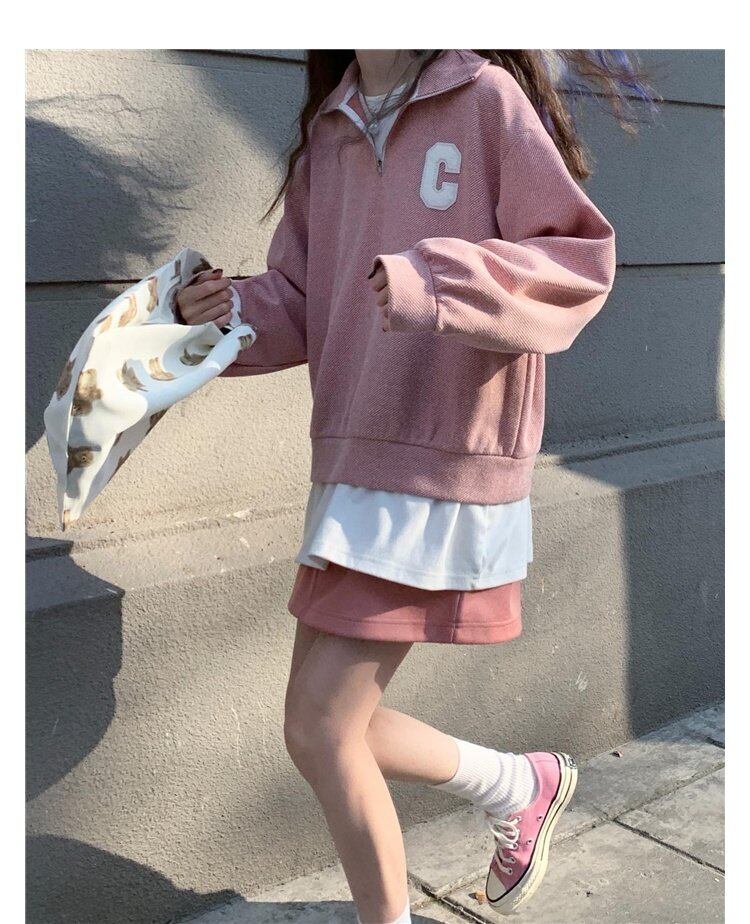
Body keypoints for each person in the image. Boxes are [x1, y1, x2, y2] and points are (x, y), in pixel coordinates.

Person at [176, 49, 652, 924]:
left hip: (441, 463)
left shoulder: (484, 98)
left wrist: (435, 280)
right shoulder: (332, 127)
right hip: (352, 465)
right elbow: (304, 298)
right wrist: (227, 313)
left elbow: (578, 262)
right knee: (323, 728)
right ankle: (519, 785)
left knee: (322, 727)